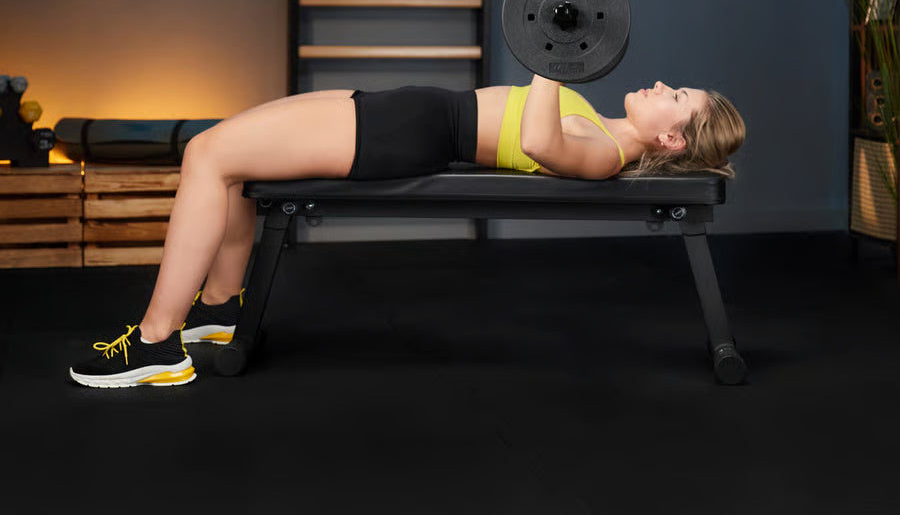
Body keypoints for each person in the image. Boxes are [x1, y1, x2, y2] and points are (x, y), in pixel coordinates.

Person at [69, 74, 745, 388]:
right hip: (409, 111)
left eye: (676, 96)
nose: (662, 84)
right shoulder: (602, 122)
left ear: (671, 138)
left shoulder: (606, 152)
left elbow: (541, 143)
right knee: (227, 154)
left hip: (408, 134)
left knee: (206, 156)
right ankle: (218, 312)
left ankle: (157, 343)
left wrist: (550, 56)